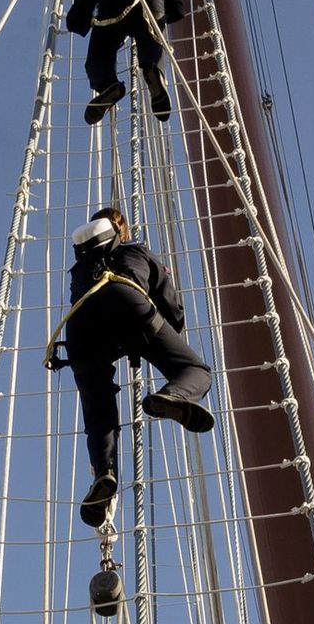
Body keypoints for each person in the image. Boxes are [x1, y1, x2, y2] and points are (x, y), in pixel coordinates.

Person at [51, 208, 213, 529]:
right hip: (127, 302)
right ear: (120, 229)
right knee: (196, 370)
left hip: (79, 326)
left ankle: (104, 474)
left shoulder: (79, 268)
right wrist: (165, 338)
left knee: (99, 414)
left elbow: (88, 304)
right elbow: (170, 307)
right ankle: (173, 396)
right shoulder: (137, 250)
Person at [65, 0, 181, 123]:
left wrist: (76, 23)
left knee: (100, 51)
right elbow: (177, 7)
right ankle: (153, 70)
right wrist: (167, 17)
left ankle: (107, 85)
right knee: (153, 38)